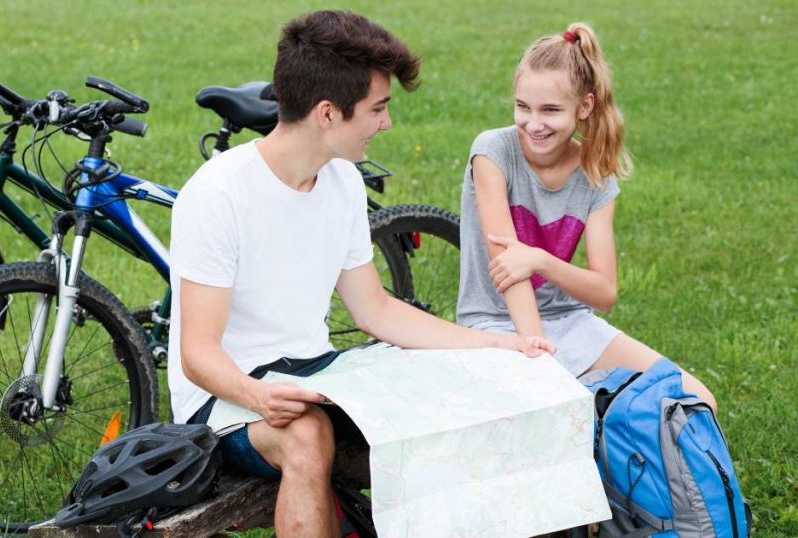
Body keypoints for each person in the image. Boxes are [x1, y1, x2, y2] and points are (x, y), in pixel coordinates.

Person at [169, 10, 555, 538]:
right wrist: (260, 397)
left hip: (314, 373)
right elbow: (198, 354)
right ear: (328, 113)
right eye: (377, 109)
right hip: (226, 402)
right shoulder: (217, 194)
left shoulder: (342, 181)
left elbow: (376, 310)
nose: (386, 123)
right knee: (307, 435)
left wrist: (493, 344)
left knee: (450, 396)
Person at [457, 22, 717, 412]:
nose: (533, 123)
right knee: (553, 413)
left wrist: (542, 260)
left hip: (570, 322)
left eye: (550, 110)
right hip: (496, 323)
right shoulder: (493, 152)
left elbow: (604, 292)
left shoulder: (595, 173)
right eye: (522, 107)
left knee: (697, 399)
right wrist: (538, 353)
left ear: (584, 107)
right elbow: (508, 270)